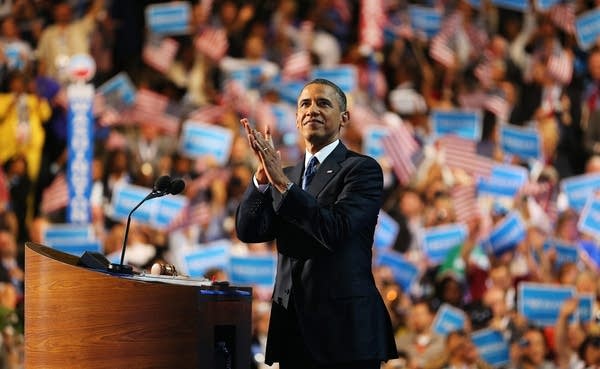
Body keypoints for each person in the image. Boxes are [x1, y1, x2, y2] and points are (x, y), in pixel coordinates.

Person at [236, 78, 397, 368]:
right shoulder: (282, 175)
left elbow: (334, 230)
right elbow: (249, 231)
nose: (312, 110)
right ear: (297, 119)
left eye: (323, 103)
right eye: (305, 104)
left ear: (344, 118)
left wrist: (282, 184)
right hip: (293, 329)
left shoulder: (361, 169)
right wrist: (262, 177)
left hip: (344, 333)